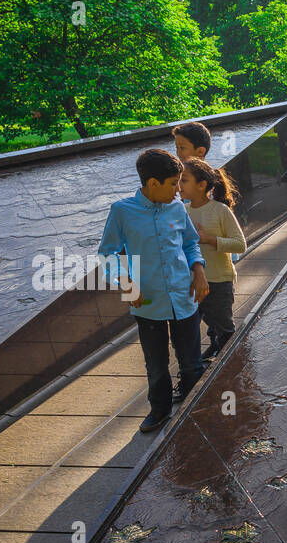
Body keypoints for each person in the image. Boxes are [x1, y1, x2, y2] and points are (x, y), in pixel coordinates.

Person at [98, 149, 209, 433]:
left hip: (185, 297)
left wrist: (199, 271)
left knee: (192, 361)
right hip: (147, 303)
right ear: (152, 183)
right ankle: (159, 410)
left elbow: (190, 243)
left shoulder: (177, 208)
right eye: (173, 183)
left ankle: (196, 408)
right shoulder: (122, 211)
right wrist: (126, 283)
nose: (177, 190)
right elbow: (108, 254)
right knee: (156, 365)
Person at [179, 158, 246, 363]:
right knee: (206, 323)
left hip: (219, 280)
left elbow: (240, 244)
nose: (179, 185)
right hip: (194, 281)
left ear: (201, 185)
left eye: (184, 180)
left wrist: (209, 239)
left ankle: (233, 364)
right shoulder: (183, 211)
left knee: (224, 327)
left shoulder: (219, 210)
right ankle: (216, 349)